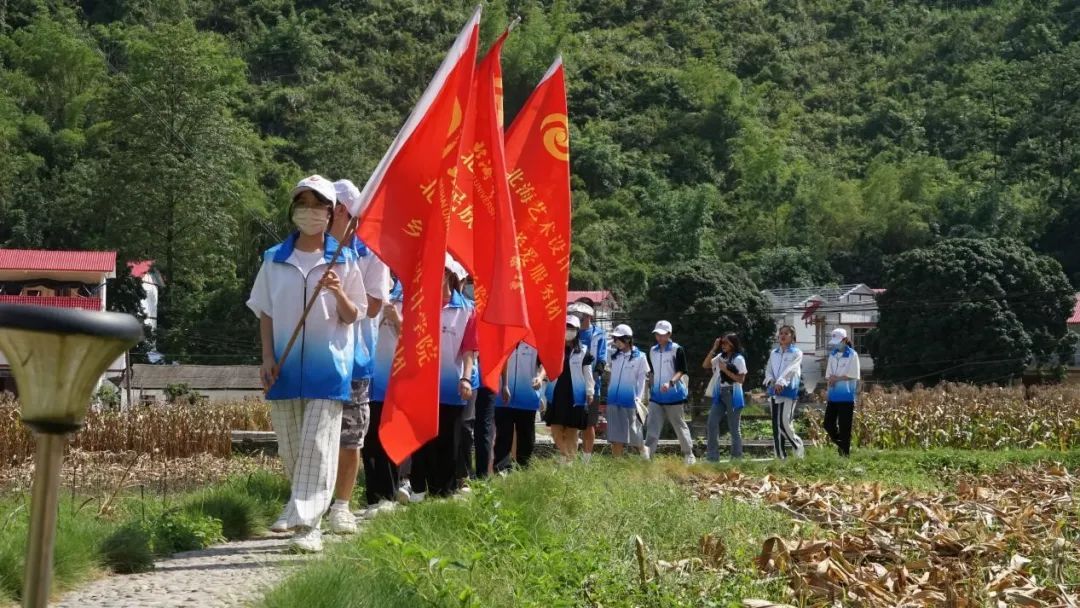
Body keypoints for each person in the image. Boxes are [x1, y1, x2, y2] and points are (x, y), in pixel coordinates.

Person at [247, 175, 364, 553]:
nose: (309, 213)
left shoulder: (344, 259)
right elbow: (264, 311)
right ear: (293, 210)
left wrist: (338, 291)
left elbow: (354, 314)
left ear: (331, 213)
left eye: (318, 206)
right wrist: (267, 357)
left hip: (327, 369)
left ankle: (308, 525)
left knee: (318, 444)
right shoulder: (274, 259)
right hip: (282, 367)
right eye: (303, 205)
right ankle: (300, 508)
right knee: (294, 448)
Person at [325, 179, 390, 534]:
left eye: (332, 208)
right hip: (318, 355)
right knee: (315, 435)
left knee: (350, 437)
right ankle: (314, 501)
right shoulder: (312, 248)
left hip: (355, 357)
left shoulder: (371, 252)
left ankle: (341, 506)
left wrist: (343, 291)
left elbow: (376, 304)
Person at [397, 256, 477, 502]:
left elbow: (469, 349)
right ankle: (418, 489)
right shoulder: (418, 304)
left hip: (451, 386)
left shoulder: (466, 309)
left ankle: (444, 491)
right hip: (421, 386)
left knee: (449, 441)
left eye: (440, 271)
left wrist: (466, 379)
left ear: (449, 275)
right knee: (421, 439)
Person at [361, 280, 404, 517]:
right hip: (364, 379)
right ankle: (372, 497)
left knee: (387, 437)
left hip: (391, 381)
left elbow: (415, 339)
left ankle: (389, 494)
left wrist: (396, 319)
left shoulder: (403, 297)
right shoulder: (363, 293)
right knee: (367, 440)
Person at [544, 315, 595, 463]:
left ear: (577, 331)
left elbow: (588, 373)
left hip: (575, 394)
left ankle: (569, 462)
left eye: (571, 328)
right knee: (555, 428)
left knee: (572, 429)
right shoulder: (554, 348)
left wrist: (590, 391)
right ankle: (565, 454)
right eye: (566, 327)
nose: (568, 331)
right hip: (556, 392)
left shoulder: (584, 351)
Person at [644, 320, 695, 464]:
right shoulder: (652, 351)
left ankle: (689, 454)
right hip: (656, 396)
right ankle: (648, 457)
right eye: (657, 334)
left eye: (662, 334)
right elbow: (652, 372)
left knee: (679, 425)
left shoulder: (677, 349)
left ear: (669, 334)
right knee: (652, 427)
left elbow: (682, 370)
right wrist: (650, 389)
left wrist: (670, 383)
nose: (659, 337)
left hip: (674, 395)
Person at [493, 341, 544, 471]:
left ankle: (524, 468)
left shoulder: (534, 342)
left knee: (526, 436)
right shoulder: (505, 340)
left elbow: (544, 363)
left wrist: (540, 377)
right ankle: (500, 469)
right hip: (503, 397)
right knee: (503, 435)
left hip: (527, 397)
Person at [568, 300, 606, 464]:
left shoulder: (599, 334)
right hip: (570, 385)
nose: (576, 318)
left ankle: (586, 460)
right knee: (571, 424)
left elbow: (602, 360)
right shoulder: (570, 332)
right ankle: (569, 458)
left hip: (592, 387)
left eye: (580, 316)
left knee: (589, 424)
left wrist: (592, 380)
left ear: (589, 316)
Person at [703, 333, 748, 462]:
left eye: (727, 343)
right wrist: (714, 348)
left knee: (734, 427)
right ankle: (712, 457)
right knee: (711, 423)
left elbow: (741, 379)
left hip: (733, 392)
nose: (724, 345)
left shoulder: (738, 359)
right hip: (720, 392)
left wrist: (725, 370)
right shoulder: (720, 357)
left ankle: (736, 458)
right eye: (722, 343)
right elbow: (706, 365)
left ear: (733, 344)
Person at [605, 324, 648, 457]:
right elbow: (603, 349)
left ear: (628, 339)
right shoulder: (614, 355)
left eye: (619, 339)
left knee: (634, 433)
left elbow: (642, 379)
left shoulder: (640, 356)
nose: (616, 342)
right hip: (613, 400)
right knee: (615, 435)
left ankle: (643, 452)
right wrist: (610, 340)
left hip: (630, 401)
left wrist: (639, 397)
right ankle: (617, 462)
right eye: (615, 339)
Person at [764, 325, 805, 460]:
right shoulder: (774, 353)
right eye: (781, 333)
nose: (783, 335)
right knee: (776, 426)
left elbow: (791, 369)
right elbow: (768, 370)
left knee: (784, 423)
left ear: (792, 336)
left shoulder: (796, 353)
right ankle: (780, 457)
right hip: (774, 391)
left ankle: (798, 447)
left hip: (788, 391)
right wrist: (771, 380)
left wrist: (781, 382)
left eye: (786, 333)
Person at [824, 328, 861, 457]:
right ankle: (842, 444)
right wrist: (829, 384)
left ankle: (845, 454)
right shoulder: (832, 355)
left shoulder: (852, 355)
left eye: (838, 342)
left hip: (846, 396)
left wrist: (836, 379)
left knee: (845, 426)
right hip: (833, 396)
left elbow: (853, 375)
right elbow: (828, 375)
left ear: (845, 340)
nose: (836, 345)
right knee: (828, 424)